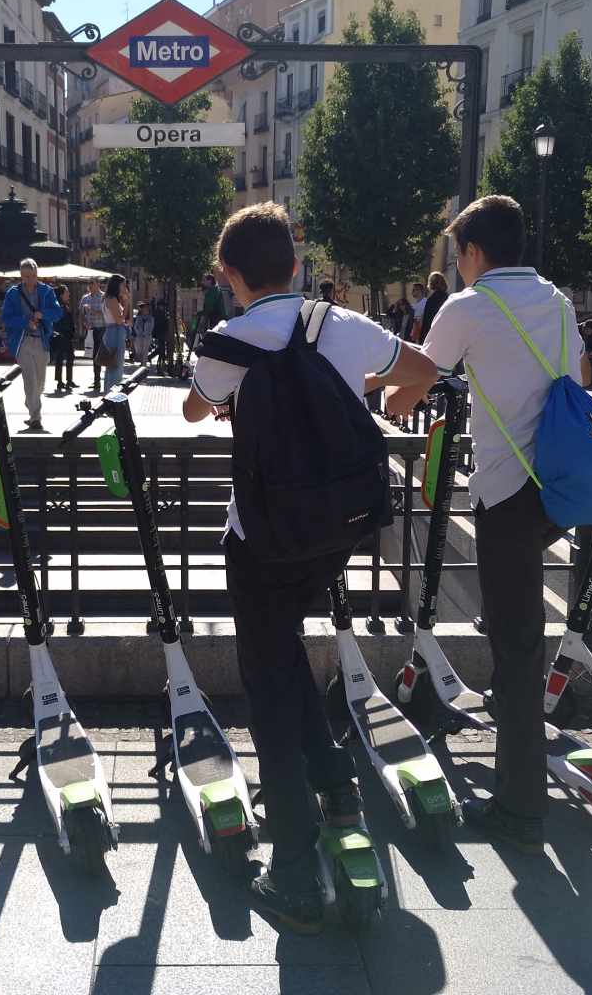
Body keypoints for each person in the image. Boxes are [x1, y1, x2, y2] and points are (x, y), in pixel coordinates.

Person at [181, 202, 437, 932]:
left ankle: (292, 862)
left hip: (261, 538)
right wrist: (360, 412)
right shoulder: (341, 325)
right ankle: (336, 784)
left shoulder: (226, 342)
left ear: (230, 274)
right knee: (284, 650)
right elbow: (420, 370)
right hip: (338, 529)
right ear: (296, 265)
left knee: (267, 681)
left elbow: (199, 411)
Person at [387, 194, 588, 855]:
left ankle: (521, 807)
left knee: (519, 647)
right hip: (558, 490)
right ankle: (521, 775)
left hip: (507, 494)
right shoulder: (557, 301)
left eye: (459, 254)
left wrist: (382, 391)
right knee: (517, 632)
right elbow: (578, 375)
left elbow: (411, 381)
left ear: (473, 252)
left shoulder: (469, 306)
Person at [1, 258, 63, 430]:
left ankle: (31, 401)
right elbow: (6, 318)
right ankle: (35, 417)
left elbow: (58, 313)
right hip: (23, 341)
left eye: (32, 275)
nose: (29, 279)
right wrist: (25, 322)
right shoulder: (13, 293)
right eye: (26, 276)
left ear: (37, 274)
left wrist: (43, 315)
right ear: (21, 275)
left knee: (40, 383)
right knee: (30, 380)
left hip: (42, 340)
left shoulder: (47, 291)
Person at [100, 275, 130, 392]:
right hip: (115, 332)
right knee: (116, 366)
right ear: (116, 285)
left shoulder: (107, 298)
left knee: (111, 365)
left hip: (111, 332)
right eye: (123, 284)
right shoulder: (111, 299)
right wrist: (126, 303)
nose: (125, 287)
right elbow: (119, 320)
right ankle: (112, 394)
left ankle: (108, 393)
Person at [80, 278, 106, 392]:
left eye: (92, 283)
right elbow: (81, 313)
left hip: (102, 329)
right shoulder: (85, 298)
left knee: (101, 355)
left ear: (98, 284)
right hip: (90, 330)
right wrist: (84, 323)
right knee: (94, 356)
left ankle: (102, 381)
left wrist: (92, 310)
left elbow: (106, 313)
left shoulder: (104, 297)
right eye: (89, 283)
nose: (90, 285)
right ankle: (96, 381)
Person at [50, 283, 76, 392]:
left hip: (67, 336)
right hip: (61, 336)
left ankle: (69, 380)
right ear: (61, 295)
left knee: (70, 358)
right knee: (60, 359)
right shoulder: (58, 306)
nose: (69, 294)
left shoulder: (66, 305)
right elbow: (57, 322)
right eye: (66, 292)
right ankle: (60, 381)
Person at [415, 271, 450, 343]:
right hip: (445, 335)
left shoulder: (431, 300)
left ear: (431, 284)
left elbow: (426, 321)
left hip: (432, 336)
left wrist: (422, 339)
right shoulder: (448, 298)